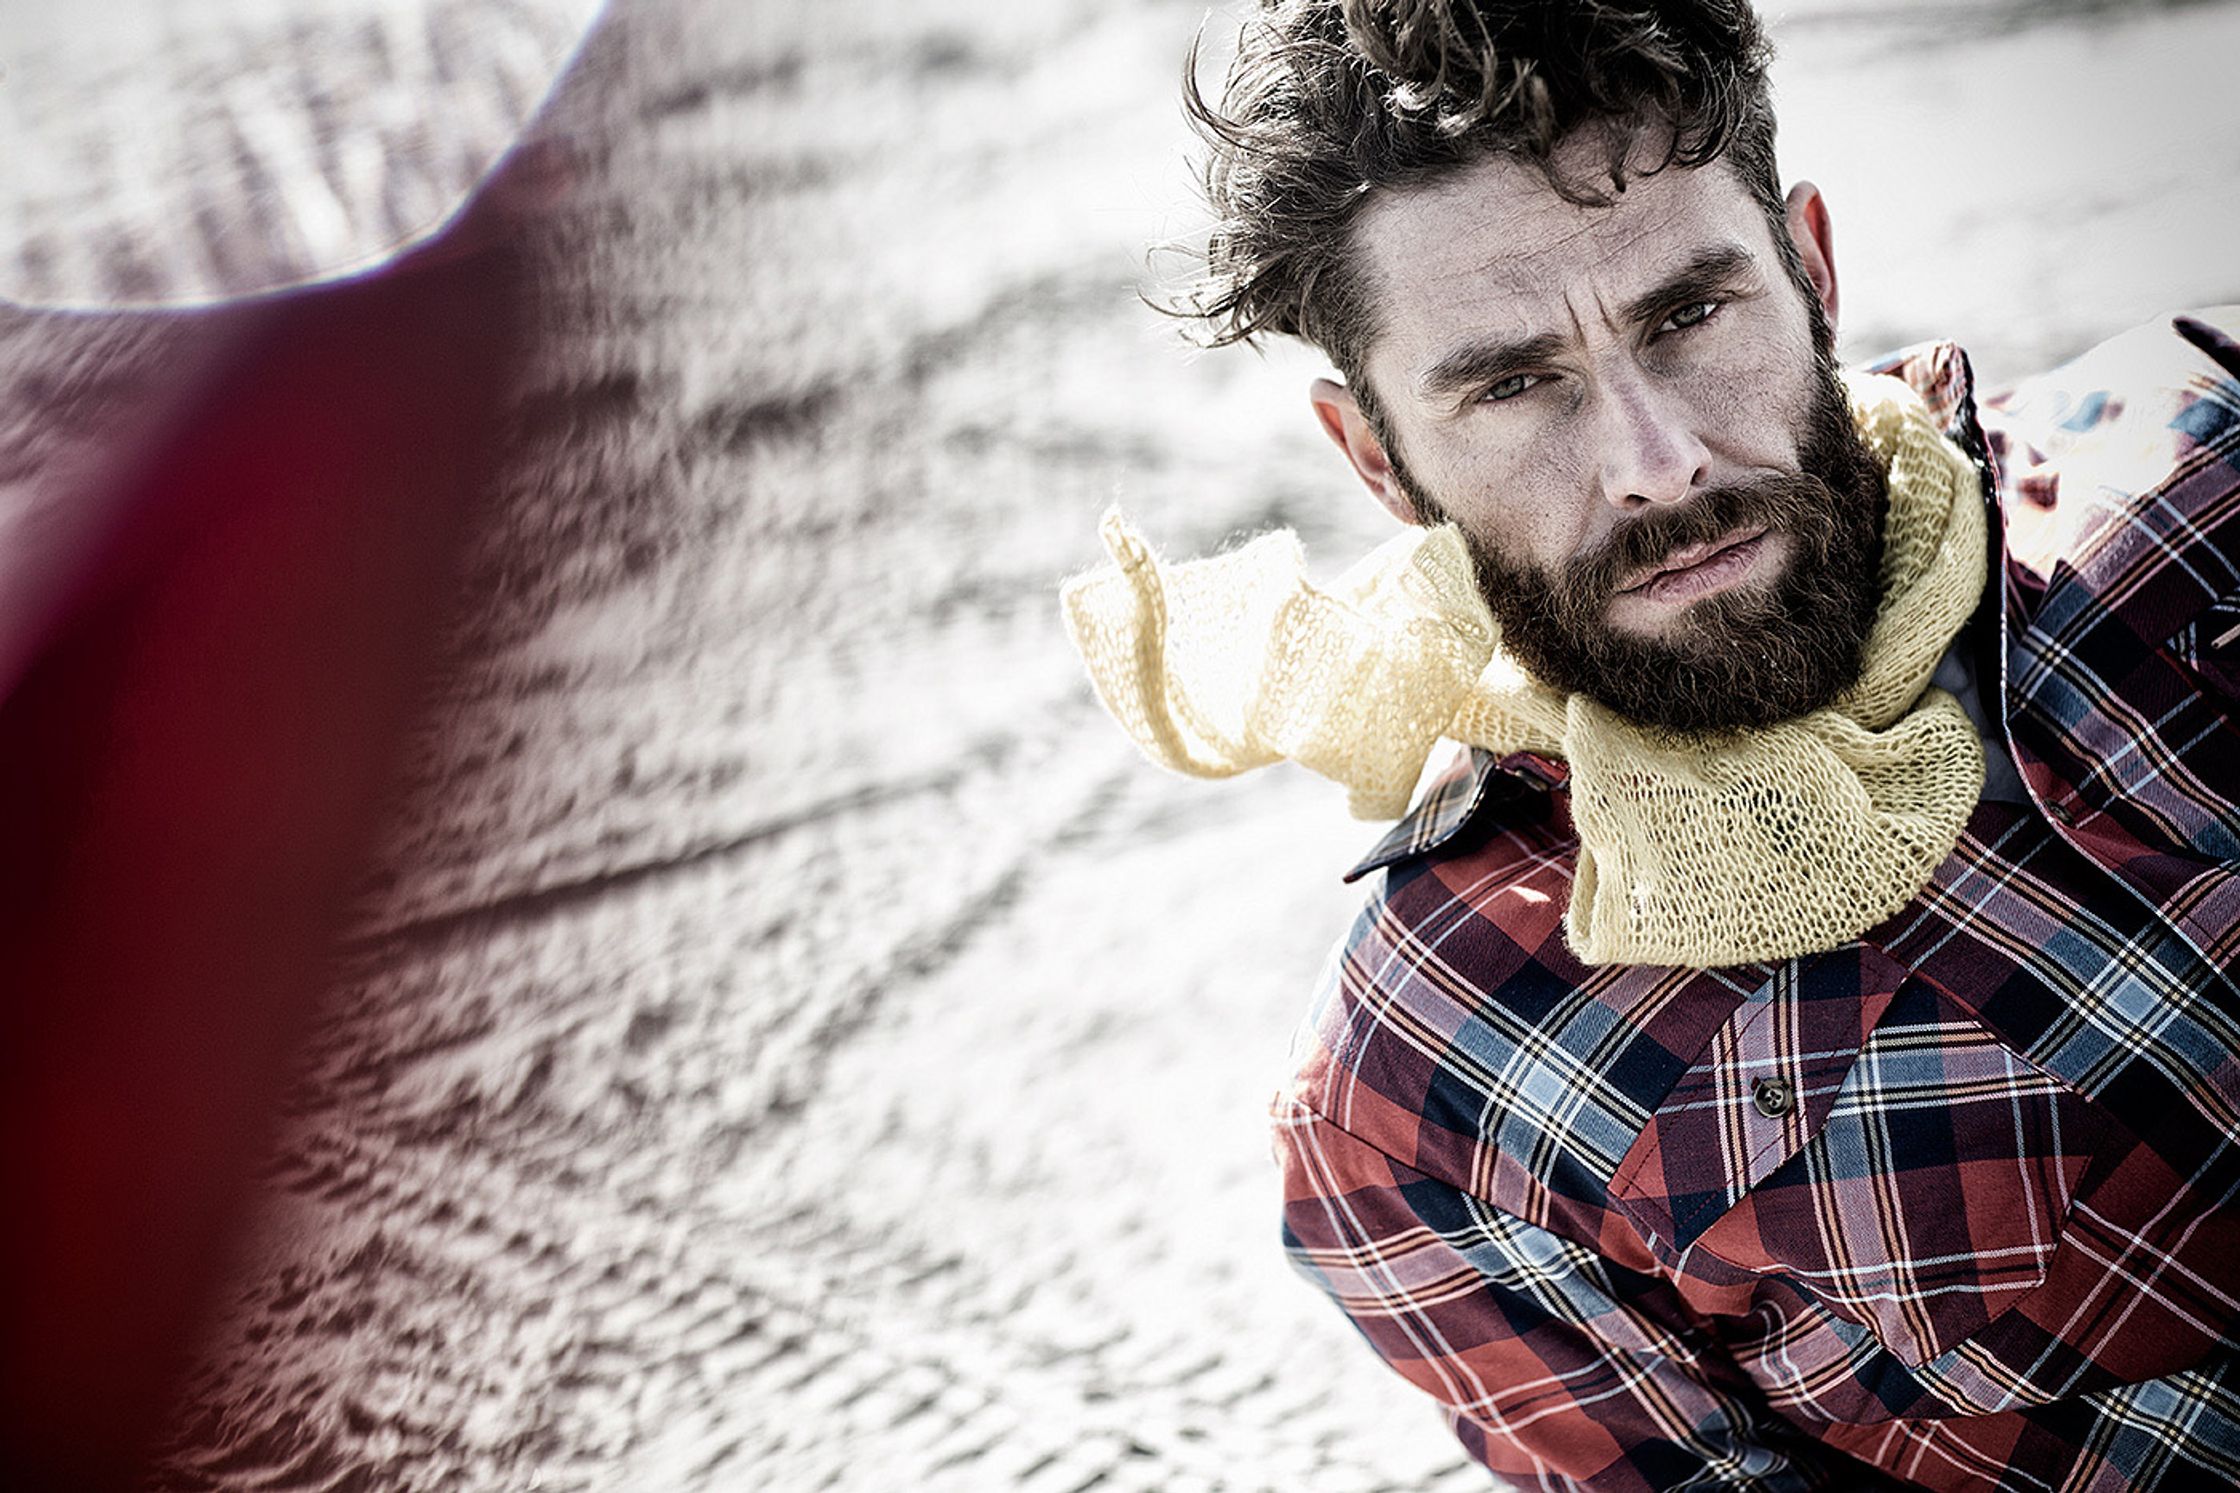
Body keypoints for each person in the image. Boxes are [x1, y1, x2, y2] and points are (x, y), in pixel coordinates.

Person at [1059, 1, 2240, 1487]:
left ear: (1810, 268)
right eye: (1511, 383)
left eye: (1689, 315)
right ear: (1377, 458)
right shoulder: (1423, 1089)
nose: (1656, 459)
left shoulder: (2210, 462)